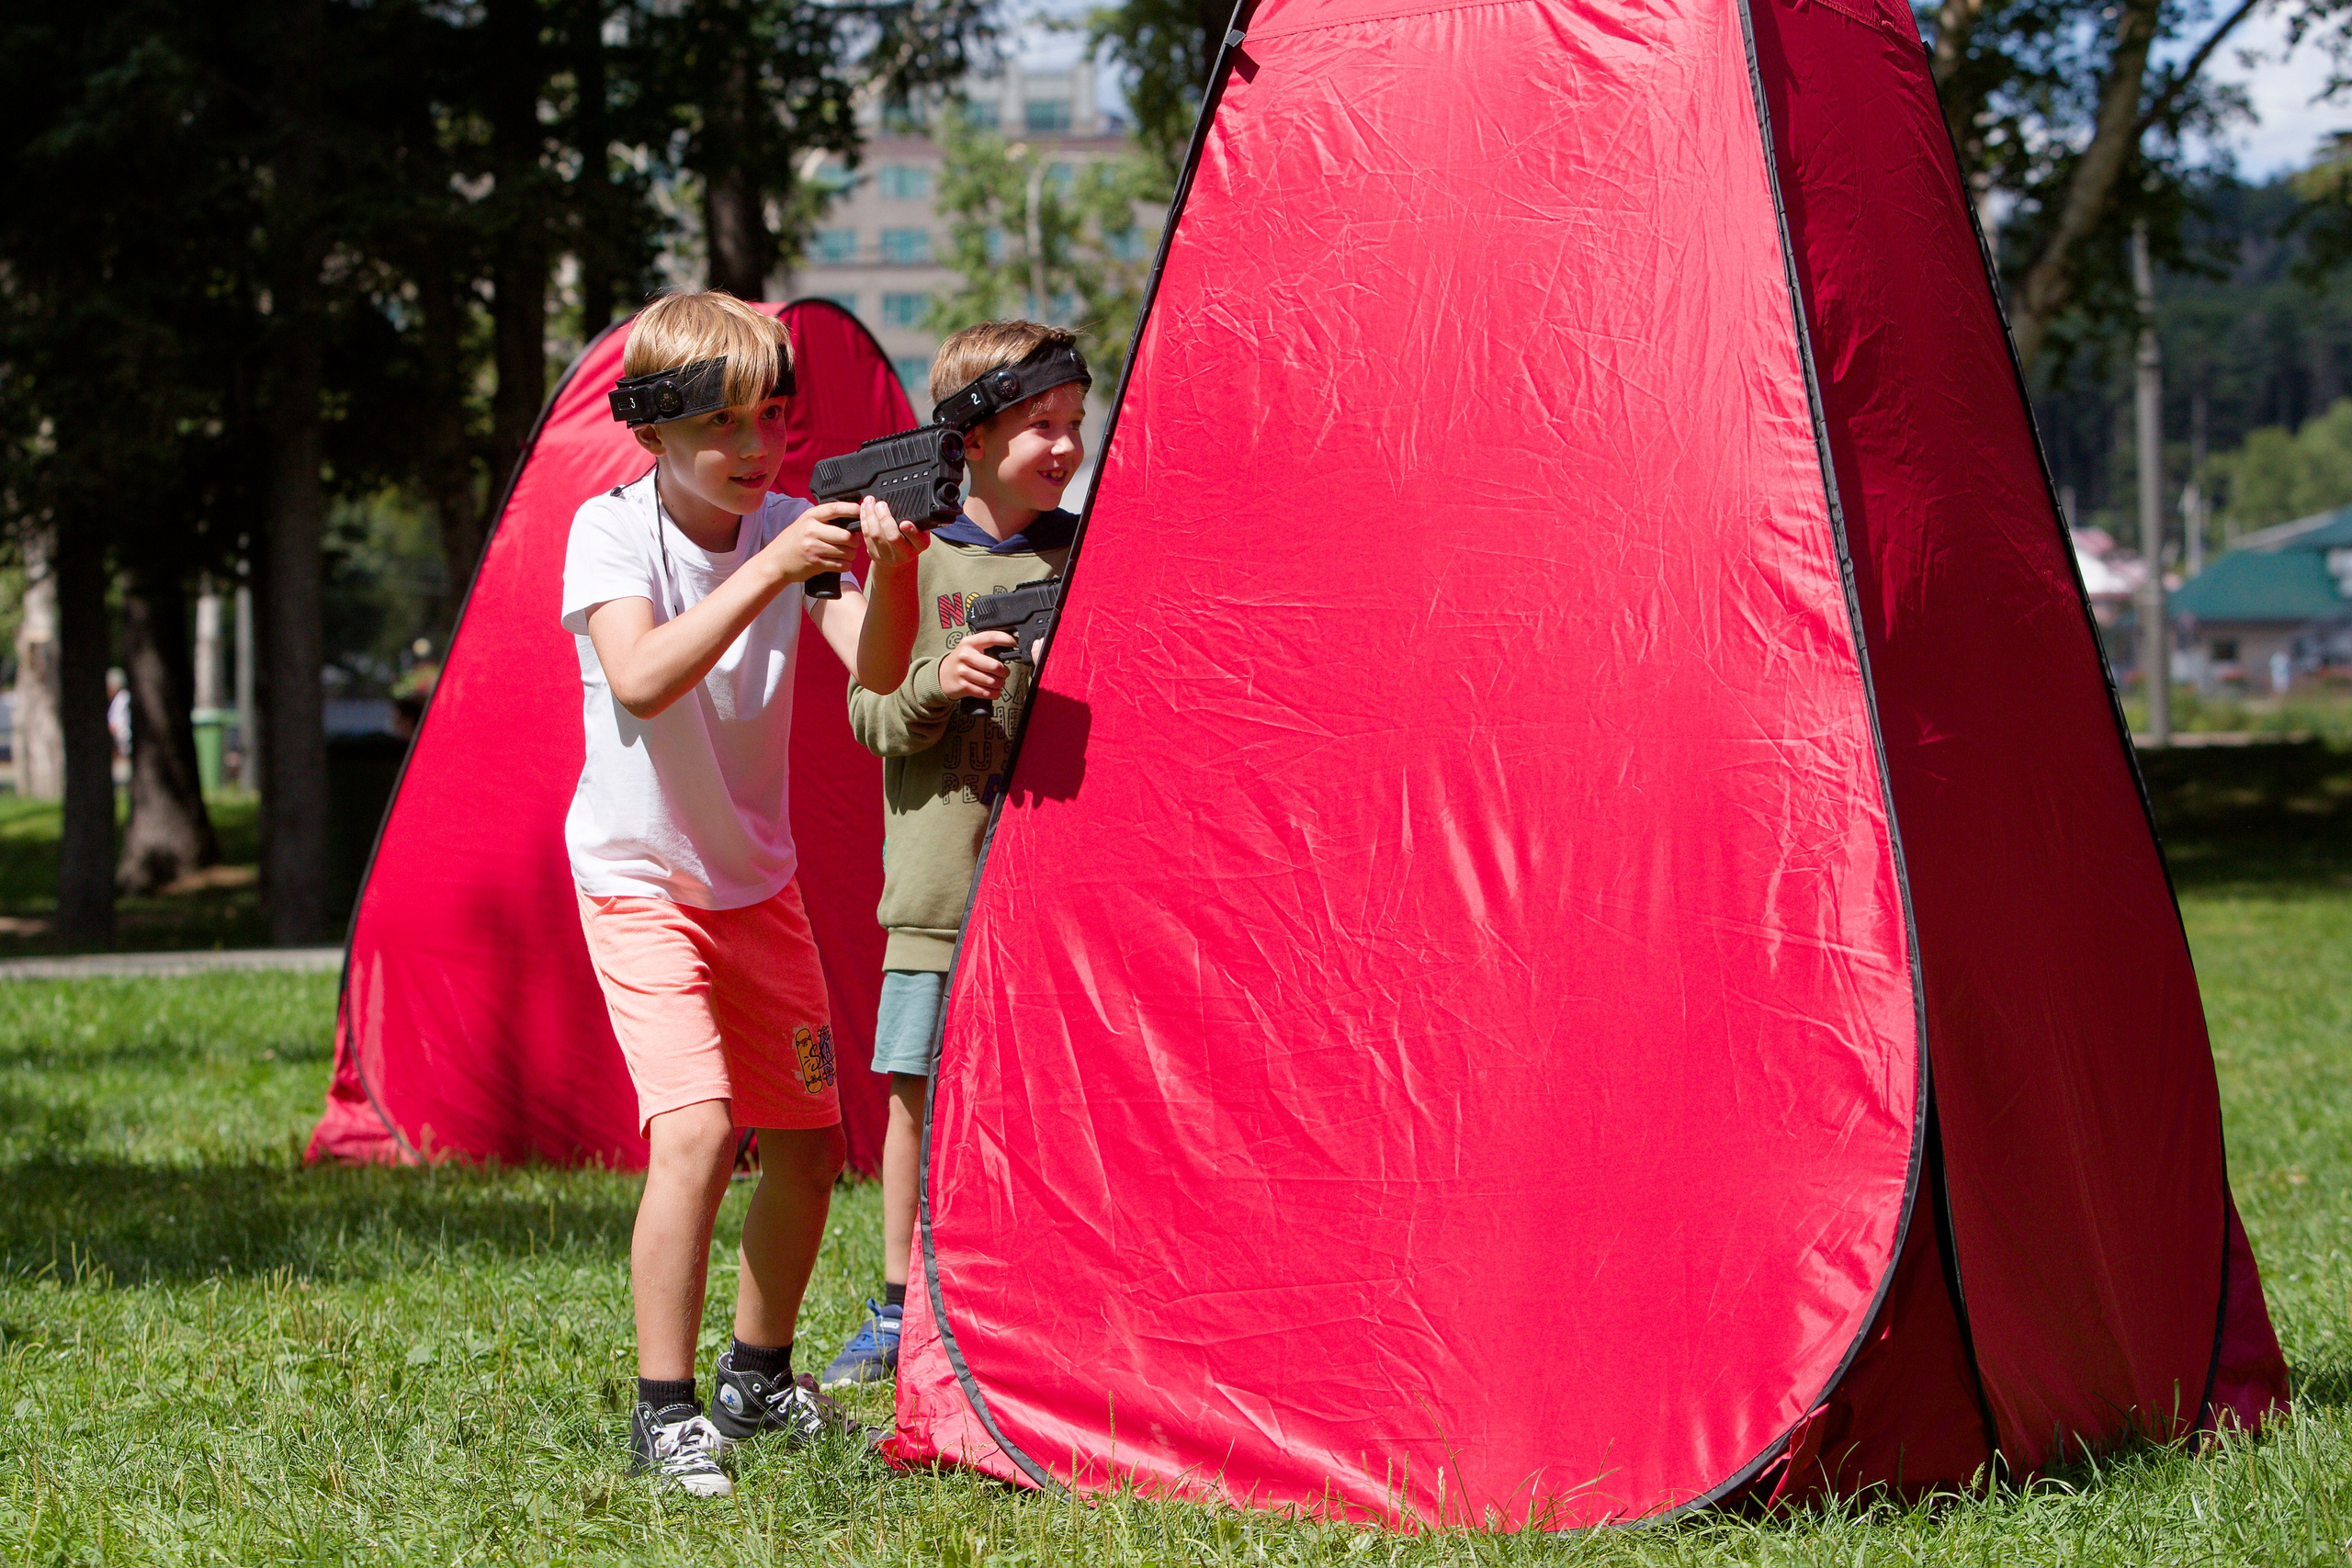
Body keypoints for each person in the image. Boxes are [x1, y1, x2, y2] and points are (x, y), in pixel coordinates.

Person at [561, 289, 925, 1495]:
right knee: (702, 1129)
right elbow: (645, 677)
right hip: (638, 879)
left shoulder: (791, 528)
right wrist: (775, 560)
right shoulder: (609, 533)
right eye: (724, 424)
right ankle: (666, 1414)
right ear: (653, 431)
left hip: (751, 883)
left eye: (772, 416)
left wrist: (894, 571)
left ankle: (757, 1375)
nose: (759, 447)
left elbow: (873, 684)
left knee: (816, 1148)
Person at [821, 321, 1091, 1386]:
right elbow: (874, 717)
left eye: (1073, 424)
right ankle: (898, 1305)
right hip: (938, 892)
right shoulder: (910, 555)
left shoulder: (1089, 554)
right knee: (915, 1092)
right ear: (969, 439)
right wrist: (944, 683)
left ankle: (1039, 1290)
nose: (1065, 447)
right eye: (1039, 427)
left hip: (1055, 892)